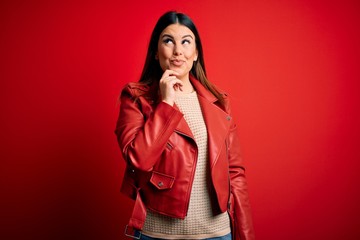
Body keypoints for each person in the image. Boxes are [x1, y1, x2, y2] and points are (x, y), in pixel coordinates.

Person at [115, 11, 255, 240]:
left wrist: (245, 235)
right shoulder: (135, 98)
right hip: (158, 234)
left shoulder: (218, 102)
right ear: (155, 52)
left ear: (196, 53)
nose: (178, 51)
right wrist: (166, 103)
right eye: (168, 41)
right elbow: (139, 160)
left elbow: (235, 174)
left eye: (186, 42)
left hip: (216, 234)